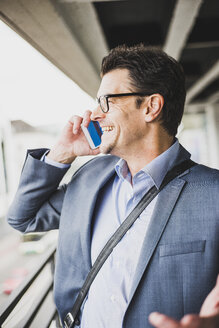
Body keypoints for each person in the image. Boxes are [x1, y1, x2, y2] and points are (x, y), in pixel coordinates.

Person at [7, 44, 219, 328]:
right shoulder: (89, 179)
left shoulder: (213, 193)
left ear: (150, 107)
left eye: (106, 101)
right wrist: (61, 154)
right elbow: (23, 218)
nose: (94, 113)